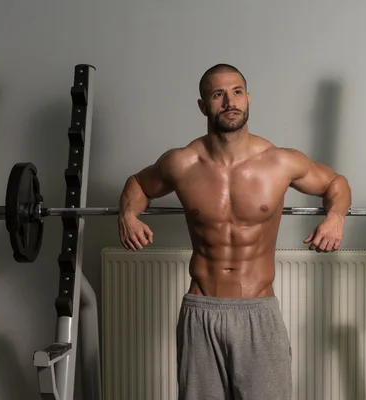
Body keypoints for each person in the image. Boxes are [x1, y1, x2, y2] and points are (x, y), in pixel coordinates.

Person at [117, 64, 352, 400]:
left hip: (258, 310)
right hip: (201, 310)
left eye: (237, 92)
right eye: (218, 94)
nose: (230, 101)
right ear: (203, 105)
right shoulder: (182, 163)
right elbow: (138, 184)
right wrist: (128, 214)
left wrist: (336, 217)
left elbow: (335, 183)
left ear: (248, 99)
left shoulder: (279, 161)